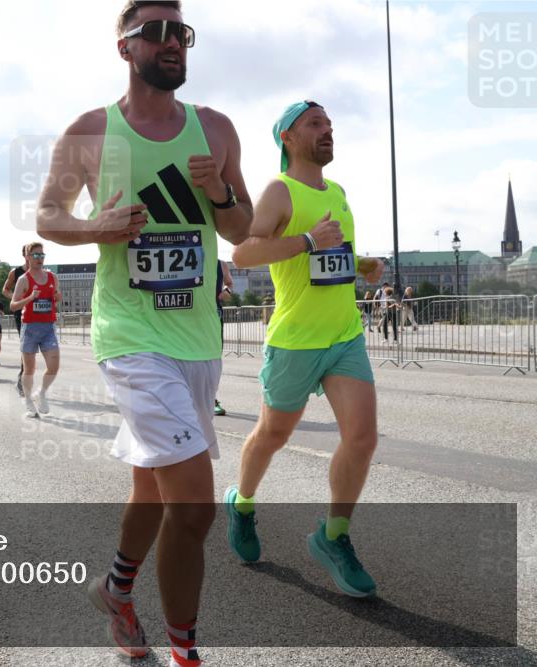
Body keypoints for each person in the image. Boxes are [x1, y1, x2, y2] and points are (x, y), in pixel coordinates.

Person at [35, 2, 254, 663]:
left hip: (196, 338)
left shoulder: (215, 130)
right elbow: (48, 213)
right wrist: (93, 228)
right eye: (156, 33)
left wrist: (218, 192)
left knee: (150, 488)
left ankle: (117, 589)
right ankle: (186, 651)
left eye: (180, 33)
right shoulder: (90, 132)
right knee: (193, 509)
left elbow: (242, 231)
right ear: (125, 48)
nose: (172, 44)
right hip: (128, 334)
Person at [227, 100, 385, 599]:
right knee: (272, 434)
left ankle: (333, 536)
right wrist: (307, 242)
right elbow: (244, 252)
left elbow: (332, 253)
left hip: (343, 336)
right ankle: (242, 502)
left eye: (330, 124)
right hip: (295, 341)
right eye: (315, 124)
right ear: (287, 139)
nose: (327, 130)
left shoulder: (337, 192)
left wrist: (362, 265)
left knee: (362, 439)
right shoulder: (279, 191)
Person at [11, 243, 61, 416]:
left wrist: (57, 296)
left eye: (42, 255)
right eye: (36, 255)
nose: (39, 258)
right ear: (27, 257)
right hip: (30, 328)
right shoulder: (23, 279)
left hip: (48, 327)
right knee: (29, 370)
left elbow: (57, 296)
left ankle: (42, 393)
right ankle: (27, 401)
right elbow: (13, 305)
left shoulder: (52, 277)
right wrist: (31, 297)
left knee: (54, 366)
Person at [3, 247, 31, 396]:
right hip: (21, 313)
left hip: (38, 314)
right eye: (29, 253)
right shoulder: (16, 272)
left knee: (32, 349)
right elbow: (5, 289)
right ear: (24, 255)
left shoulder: (41, 272)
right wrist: (15, 296)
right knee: (26, 345)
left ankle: (24, 375)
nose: (32, 256)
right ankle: (22, 377)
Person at [214, 260, 233, 416]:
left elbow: (229, 283)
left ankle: (211, 399)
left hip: (213, 315)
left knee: (213, 358)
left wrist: (227, 291)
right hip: (183, 317)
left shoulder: (221, 264)